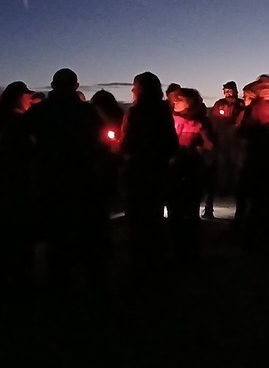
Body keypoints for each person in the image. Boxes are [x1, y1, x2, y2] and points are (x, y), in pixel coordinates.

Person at [24, 68, 108, 295]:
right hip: (83, 177)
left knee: (57, 233)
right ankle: (94, 284)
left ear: (52, 86)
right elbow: (101, 144)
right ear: (76, 86)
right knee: (87, 231)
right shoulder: (88, 112)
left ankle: (59, 284)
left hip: (51, 178)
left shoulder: (38, 112)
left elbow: (22, 140)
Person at [120, 71, 179, 283]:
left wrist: (121, 149)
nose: (132, 90)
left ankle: (140, 265)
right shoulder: (164, 112)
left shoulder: (135, 113)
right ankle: (157, 263)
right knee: (154, 217)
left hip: (138, 171)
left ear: (141, 89)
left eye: (135, 86)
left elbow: (127, 144)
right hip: (158, 171)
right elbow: (172, 143)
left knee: (137, 220)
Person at [0, 80, 37, 295]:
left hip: (4, 180)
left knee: (5, 231)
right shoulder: (16, 120)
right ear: (19, 97)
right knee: (18, 231)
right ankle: (18, 277)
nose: (29, 99)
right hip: (17, 182)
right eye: (26, 95)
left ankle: (2, 276)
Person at [236, 74, 269, 251]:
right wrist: (262, 131)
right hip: (256, 160)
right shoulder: (252, 109)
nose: (266, 89)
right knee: (258, 201)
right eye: (262, 86)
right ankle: (255, 238)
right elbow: (242, 133)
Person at [168, 87, 213, 263]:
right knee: (175, 213)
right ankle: (177, 251)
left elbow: (210, 146)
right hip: (172, 171)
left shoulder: (201, 122)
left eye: (181, 98)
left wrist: (198, 148)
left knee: (191, 213)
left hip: (192, 171)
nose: (176, 101)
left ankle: (193, 254)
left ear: (191, 102)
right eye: (175, 98)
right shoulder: (169, 120)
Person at [210, 81, 244, 202]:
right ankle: (224, 188)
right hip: (222, 139)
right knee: (223, 165)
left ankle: (236, 189)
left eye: (230, 91)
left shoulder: (241, 104)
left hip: (237, 141)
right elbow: (213, 121)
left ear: (235, 91)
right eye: (226, 91)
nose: (228, 94)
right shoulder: (219, 104)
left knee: (236, 165)